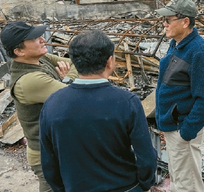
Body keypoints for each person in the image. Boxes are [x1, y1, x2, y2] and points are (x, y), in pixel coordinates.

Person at [39, 30, 158, 192]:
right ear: (110, 61)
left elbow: (48, 161)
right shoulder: (127, 102)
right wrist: (142, 185)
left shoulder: (52, 103)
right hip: (125, 187)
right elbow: (146, 157)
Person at [0, 21, 78, 192]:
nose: (42, 39)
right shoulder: (29, 80)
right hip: (47, 156)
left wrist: (67, 78)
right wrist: (66, 80)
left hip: (58, 149)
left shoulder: (41, 59)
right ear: (19, 51)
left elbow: (78, 62)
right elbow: (73, 96)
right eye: (35, 38)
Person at [155, 0, 204, 191]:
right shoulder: (177, 44)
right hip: (173, 126)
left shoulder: (199, 52)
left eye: (168, 20)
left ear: (185, 21)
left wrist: (186, 132)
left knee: (187, 185)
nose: (164, 24)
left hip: (182, 128)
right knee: (179, 180)